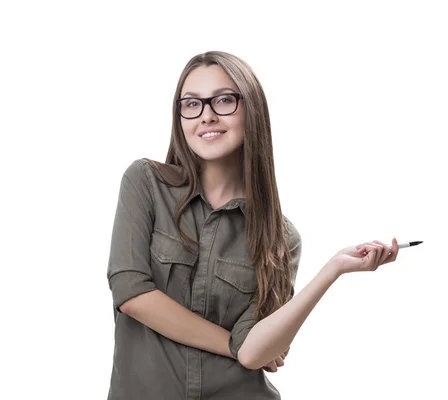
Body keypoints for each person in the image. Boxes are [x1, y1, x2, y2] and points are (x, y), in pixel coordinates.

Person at [105, 50, 399, 400]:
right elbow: (132, 293)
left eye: (224, 100)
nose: (207, 116)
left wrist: (333, 269)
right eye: (192, 104)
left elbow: (255, 352)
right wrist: (232, 345)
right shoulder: (146, 183)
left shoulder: (281, 238)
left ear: (252, 110)